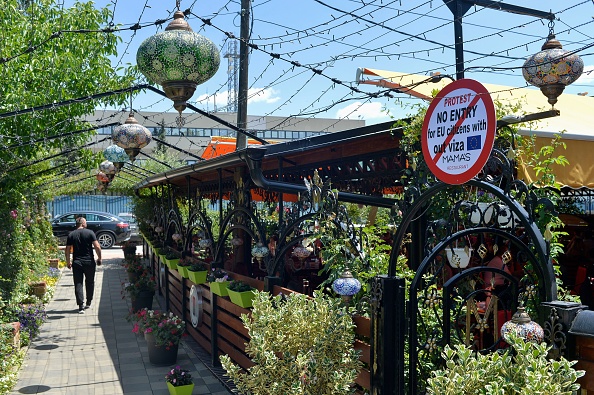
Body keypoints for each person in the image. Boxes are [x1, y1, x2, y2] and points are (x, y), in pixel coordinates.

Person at [65, 217, 102, 314]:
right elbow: (97, 246)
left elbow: (67, 249)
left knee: (78, 283)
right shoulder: (90, 233)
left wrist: (68, 261)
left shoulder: (71, 235)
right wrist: (99, 258)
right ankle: (89, 301)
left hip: (77, 262)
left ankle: (80, 306)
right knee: (90, 282)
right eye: (85, 222)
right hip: (89, 261)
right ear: (82, 223)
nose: (86, 223)